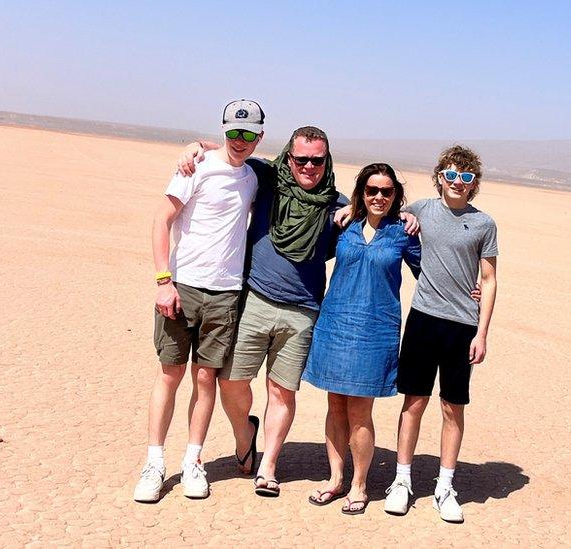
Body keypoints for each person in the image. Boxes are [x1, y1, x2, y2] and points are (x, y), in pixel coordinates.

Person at [176, 130, 419, 498]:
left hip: (304, 310)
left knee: (281, 390)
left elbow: (376, 213)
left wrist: (404, 213)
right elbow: (235, 153)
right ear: (289, 157)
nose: (308, 166)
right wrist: (199, 147)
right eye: (301, 158)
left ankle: (268, 467)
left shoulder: (338, 206)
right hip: (255, 298)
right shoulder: (268, 178)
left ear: (327, 161)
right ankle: (246, 433)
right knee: (232, 381)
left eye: (317, 160)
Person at [132, 99, 264, 503]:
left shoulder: (255, 176)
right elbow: (162, 219)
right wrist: (162, 281)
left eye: (248, 134)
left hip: (225, 293)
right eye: (232, 133)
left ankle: (193, 461)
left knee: (205, 378)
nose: (239, 141)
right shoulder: (196, 167)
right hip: (182, 286)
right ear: (224, 129)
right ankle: (154, 463)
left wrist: (201, 142)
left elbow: (297, 171)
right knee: (169, 374)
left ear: (259, 136)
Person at [383, 145, 498, 523]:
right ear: (440, 177)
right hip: (423, 319)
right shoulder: (421, 210)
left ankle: (445, 487)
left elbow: (490, 279)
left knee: (452, 406)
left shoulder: (484, 224)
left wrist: (482, 333)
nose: (457, 183)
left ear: (474, 183)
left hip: (462, 325)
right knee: (414, 402)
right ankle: (402, 481)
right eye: (451, 175)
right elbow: (386, 211)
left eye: (466, 178)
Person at [302, 163, 420, 515]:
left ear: (396, 194)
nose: (379, 197)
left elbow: (430, 271)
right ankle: (336, 479)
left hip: (375, 331)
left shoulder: (403, 233)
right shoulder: (345, 224)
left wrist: (471, 290)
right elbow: (307, 247)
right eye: (372, 191)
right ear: (361, 193)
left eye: (386, 191)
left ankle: (360, 484)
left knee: (360, 411)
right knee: (335, 404)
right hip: (335, 325)